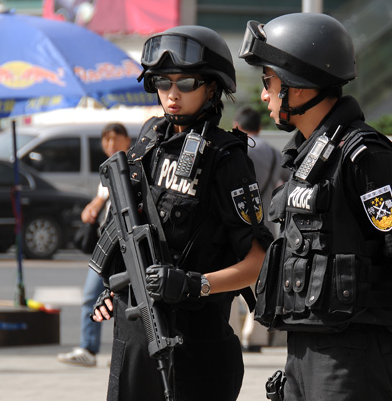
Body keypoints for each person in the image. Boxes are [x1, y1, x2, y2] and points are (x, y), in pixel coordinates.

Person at [239, 13, 392, 400]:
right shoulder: (308, 158)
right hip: (304, 350)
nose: (264, 95)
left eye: (268, 81)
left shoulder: (364, 156)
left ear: (297, 85)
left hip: (354, 357)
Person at [91, 25, 273, 401]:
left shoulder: (226, 159)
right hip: (135, 341)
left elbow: (258, 262)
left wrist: (193, 284)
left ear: (212, 88)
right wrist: (114, 286)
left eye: (186, 83)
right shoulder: (149, 139)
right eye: (163, 82)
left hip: (196, 348)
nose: (172, 94)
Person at [57, 123, 132, 367]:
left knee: (126, 300)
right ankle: (88, 348)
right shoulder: (108, 168)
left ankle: (126, 351)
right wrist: (93, 207)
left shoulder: (133, 163)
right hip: (106, 244)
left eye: (115, 138)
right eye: (106, 139)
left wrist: (98, 203)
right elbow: (102, 199)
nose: (110, 144)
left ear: (127, 140)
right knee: (91, 295)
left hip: (127, 244)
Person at [231, 106, 290, 352]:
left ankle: (233, 333)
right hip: (264, 226)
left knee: (231, 280)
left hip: (233, 226)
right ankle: (254, 336)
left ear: (237, 126)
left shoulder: (233, 147)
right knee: (260, 283)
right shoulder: (275, 153)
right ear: (259, 126)